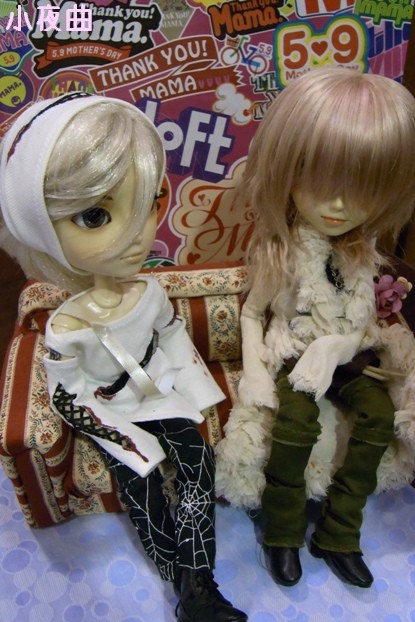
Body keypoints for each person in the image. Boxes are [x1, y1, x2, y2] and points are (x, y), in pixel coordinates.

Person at [0, 93, 247, 622]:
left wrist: (198, 396)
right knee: (141, 480)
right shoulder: (66, 325)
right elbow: (68, 396)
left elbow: (173, 337)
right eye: (96, 216)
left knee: (197, 460)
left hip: (159, 396)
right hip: (110, 410)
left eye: (149, 204)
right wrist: (121, 436)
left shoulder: (149, 292)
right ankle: (184, 584)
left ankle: (199, 579)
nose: (135, 236)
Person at [215, 67, 415, 589]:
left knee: (377, 417)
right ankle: (282, 531)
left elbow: (363, 318)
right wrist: (256, 373)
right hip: (296, 359)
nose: (340, 205)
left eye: (364, 189)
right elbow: (253, 313)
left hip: (351, 357)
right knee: (297, 422)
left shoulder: (362, 252)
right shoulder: (282, 251)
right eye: (321, 183)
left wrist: (339, 346)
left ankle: (340, 533)